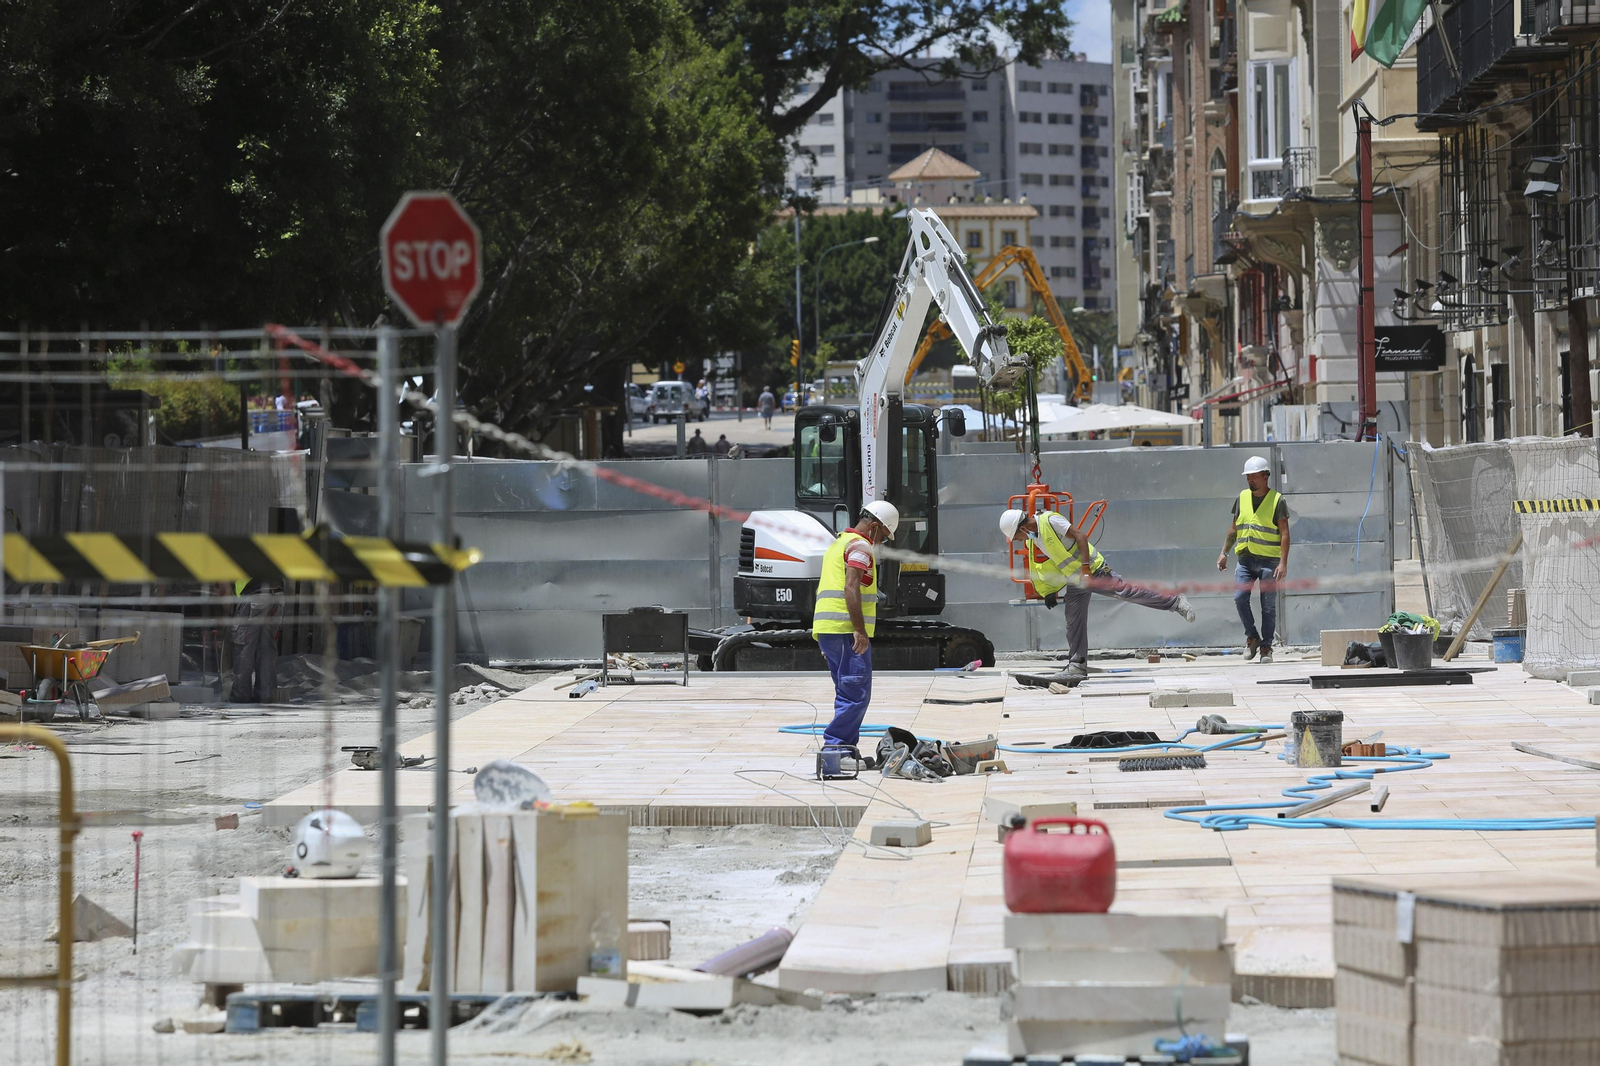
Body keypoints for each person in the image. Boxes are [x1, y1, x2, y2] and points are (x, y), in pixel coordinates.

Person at [1001, 507, 1196, 680]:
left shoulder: (1050, 520)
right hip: (1076, 580)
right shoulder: (1035, 540)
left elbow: (1081, 536)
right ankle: (1077, 665)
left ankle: (1175, 602)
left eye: (1016, 537)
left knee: (1127, 592)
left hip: (1093, 570)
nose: (1018, 541)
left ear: (1022, 528)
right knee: (1073, 620)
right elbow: (1053, 564)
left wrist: (1086, 568)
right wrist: (1051, 591)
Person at [813, 501, 899, 772]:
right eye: (883, 535)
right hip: (845, 631)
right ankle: (836, 750)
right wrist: (859, 630)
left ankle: (847, 750)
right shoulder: (861, 546)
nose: (881, 542)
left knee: (848, 691)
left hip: (830, 630)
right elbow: (851, 587)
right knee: (855, 693)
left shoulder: (839, 543)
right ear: (874, 526)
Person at [1218, 455, 1290, 663]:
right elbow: (1234, 528)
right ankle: (1252, 637)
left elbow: (1285, 533)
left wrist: (1283, 563)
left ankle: (1266, 647)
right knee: (1240, 598)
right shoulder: (1242, 498)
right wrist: (1224, 552)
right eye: (1248, 476)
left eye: (1254, 476)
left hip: (1269, 561)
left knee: (1268, 606)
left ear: (1265, 476)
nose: (1250, 480)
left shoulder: (1277, 500)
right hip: (1245, 559)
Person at [229, 577, 281, 703]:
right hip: (278, 595)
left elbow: (225, 590)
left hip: (254, 595)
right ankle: (265, 694)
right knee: (267, 647)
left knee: (244, 646)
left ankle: (240, 695)